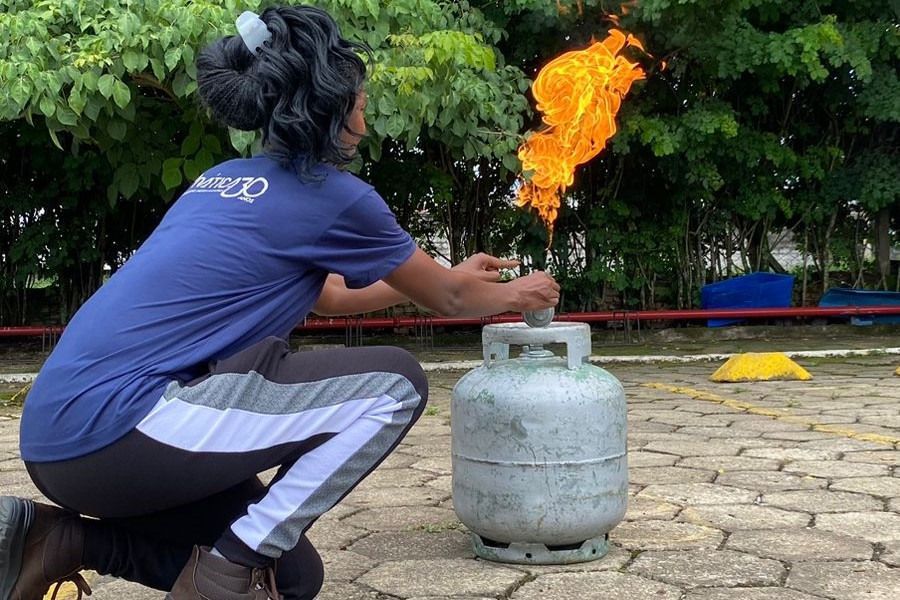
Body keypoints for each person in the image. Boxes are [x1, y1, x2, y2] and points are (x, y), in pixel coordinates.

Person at [0, 5, 559, 600]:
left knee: (290, 580)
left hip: (59, 441)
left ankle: (57, 541)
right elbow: (449, 297)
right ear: (326, 104)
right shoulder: (334, 196)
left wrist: (453, 279)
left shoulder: (217, 183)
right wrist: (517, 293)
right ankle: (229, 567)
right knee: (395, 384)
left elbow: (334, 295)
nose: (365, 110)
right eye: (358, 96)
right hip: (124, 426)